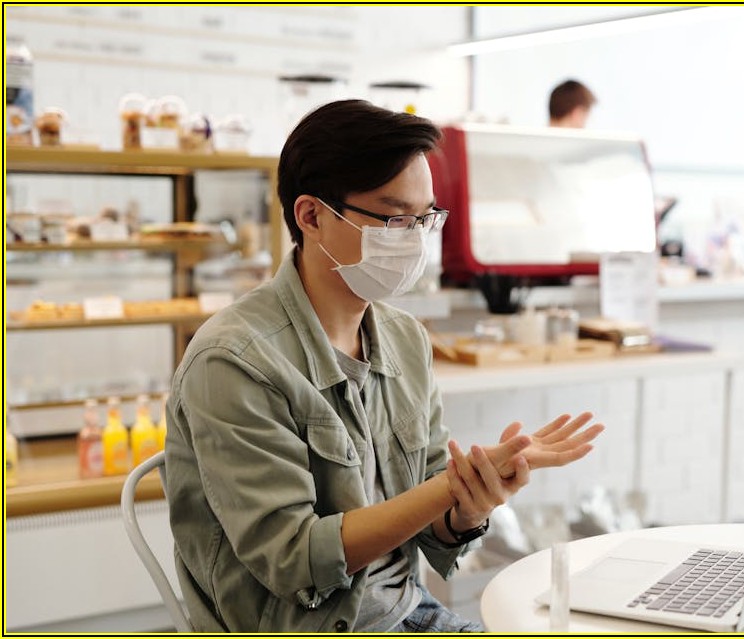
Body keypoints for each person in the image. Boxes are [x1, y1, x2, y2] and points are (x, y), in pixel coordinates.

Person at [163, 99, 604, 633]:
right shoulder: (234, 361)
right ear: (312, 215)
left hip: (405, 612)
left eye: (425, 218)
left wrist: (470, 501)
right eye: (395, 218)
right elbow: (295, 561)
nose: (415, 239)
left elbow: (431, 523)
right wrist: (446, 489)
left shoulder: (403, 338)